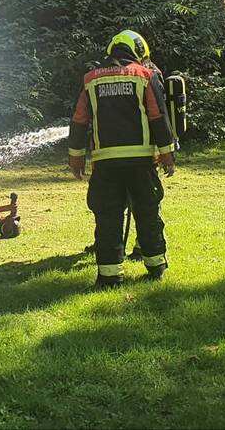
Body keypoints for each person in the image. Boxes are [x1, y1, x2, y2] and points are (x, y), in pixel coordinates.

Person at [68, 30, 176, 288]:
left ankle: (109, 276)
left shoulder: (91, 79)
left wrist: (76, 158)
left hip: (105, 164)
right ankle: (155, 267)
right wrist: (167, 154)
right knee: (147, 213)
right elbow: (157, 117)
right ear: (138, 52)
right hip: (141, 163)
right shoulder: (144, 76)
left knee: (108, 217)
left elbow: (79, 120)